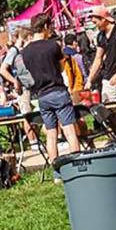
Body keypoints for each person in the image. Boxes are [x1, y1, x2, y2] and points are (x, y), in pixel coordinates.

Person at [20, 13, 82, 162]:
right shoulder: (53, 45)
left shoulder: (25, 51)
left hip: (41, 95)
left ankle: (56, 171)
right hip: (58, 91)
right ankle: (78, 164)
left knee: (51, 134)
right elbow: (61, 67)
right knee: (69, 131)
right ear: (46, 26)